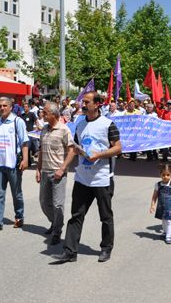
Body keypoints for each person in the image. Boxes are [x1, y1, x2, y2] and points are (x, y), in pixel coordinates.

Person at [52, 91, 122, 263]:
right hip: (82, 177)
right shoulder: (80, 123)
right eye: (83, 102)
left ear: (97, 104)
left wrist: (99, 154)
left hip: (102, 178)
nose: (84, 105)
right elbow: (75, 147)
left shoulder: (108, 124)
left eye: (87, 102)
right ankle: (70, 251)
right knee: (76, 215)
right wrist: (69, 160)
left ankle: (106, 248)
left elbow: (118, 148)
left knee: (105, 216)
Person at [0, 97, 29, 234]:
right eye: (0, 106)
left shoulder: (17, 122)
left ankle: (19, 217)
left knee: (17, 194)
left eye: (5, 105)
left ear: (11, 107)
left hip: (13, 164)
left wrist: (25, 160)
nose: (2, 108)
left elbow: (24, 143)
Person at [36, 102, 76, 245]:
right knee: (44, 202)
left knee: (57, 204)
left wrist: (62, 169)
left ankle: (57, 232)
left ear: (53, 114)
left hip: (58, 173)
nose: (43, 115)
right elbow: (41, 151)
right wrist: (38, 169)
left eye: (45, 112)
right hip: (45, 171)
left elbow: (72, 151)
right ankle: (54, 222)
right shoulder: (44, 129)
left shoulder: (64, 130)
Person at [150, 163, 171, 245]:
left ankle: (168, 236)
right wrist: (152, 205)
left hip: (169, 207)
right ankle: (165, 232)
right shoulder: (158, 185)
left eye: (168, 175)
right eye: (163, 175)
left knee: (169, 221)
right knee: (163, 220)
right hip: (161, 206)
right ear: (160, 174)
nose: (165, 177)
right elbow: (154, 196)